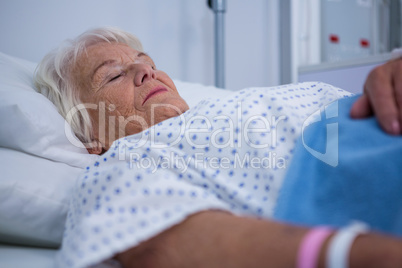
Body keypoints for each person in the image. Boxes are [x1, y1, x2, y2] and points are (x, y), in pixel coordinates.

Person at [34, 27, 402, 268]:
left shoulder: (232, 107)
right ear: (90, 137)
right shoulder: (124, 163)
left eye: (146, 63)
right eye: (113, 75)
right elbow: (162, 248)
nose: (146, 72)